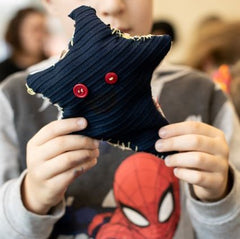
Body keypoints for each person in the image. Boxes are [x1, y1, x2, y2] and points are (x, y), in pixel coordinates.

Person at [0, 0, 240, 238]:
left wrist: (221, 195)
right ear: (50, 3)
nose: (113, 5)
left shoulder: (205, 95)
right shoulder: (13, 100)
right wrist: (30, 197)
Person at [0, 7, 48, 82]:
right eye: (35, 29)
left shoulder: (52, 65)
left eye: (44, 29)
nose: (41, 35)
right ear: (17, 33)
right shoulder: (3, 71)